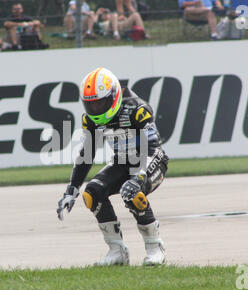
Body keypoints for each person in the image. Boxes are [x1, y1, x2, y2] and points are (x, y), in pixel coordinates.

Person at [57, 67, 169, 266]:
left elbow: (153, 148)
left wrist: (139, 177)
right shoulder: (90, 120)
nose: (96, 109)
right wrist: (72, 189)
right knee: (91, 193)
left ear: (114, 96)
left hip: (152, 159)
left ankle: (154, 246)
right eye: (91, 105)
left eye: (101, 103)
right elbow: (87, 154)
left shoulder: (137, 109)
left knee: (131, 191)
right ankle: (116, 250)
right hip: (123, 161)